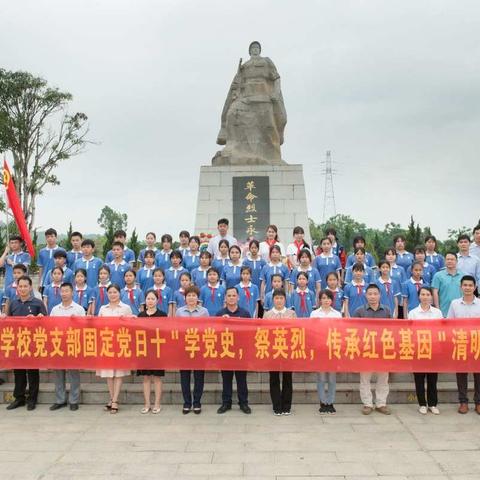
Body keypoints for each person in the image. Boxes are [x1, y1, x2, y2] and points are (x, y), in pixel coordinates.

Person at [5, 276, 47, 411]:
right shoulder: (13, 303)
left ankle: (32, 399)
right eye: (20, 286)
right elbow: (8, 322)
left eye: (25, 286)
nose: (22, 289)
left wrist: (38, 319)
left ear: (30, 287)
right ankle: (19, 398)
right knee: (18, 371)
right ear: (17, 288)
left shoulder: (37, 303)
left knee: (33, 371)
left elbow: (46, 322)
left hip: (33, 342)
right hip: (17, 342)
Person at [354, 284, 392, 415]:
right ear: (366, 295)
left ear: (380, 295)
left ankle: (381, 403)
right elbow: (354, 331)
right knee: (365, 378)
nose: (373, 296)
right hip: (365, 349)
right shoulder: (360, 311)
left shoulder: (386, 310)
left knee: (383, 377)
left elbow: (392, 330)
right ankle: (367, 404)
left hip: (382, 349)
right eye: (370, 294)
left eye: (375, 294)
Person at [97, 284, 133, 414]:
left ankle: (115, 400)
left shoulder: (126, 308)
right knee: (108, 374)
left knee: (118, 374)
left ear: (120, 293)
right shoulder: (102, 308)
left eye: (115, 292)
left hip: (120, 343)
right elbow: (98, 326)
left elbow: (131, 325)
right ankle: (112, 398)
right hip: (106, 343)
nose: (112, 294)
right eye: (110, 292)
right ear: (107, 294)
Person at [49, 283, 85, 411]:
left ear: (72, 292)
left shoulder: (79, 309)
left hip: (73, 343)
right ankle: (60, 400)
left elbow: (84, 328)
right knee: (58, 373)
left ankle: (74, 400)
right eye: (62, 291)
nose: (64, 293)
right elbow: (50, 327)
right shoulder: (55, 309)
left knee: (73, 373)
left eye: (66, 291)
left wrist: (77, 321)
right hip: (58, 343)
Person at [447, 275, 480, 415]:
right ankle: (463, 402)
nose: (467, 288)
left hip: (477, 343)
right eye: (465, 285)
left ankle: (478, 402)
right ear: (461, 287)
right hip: (460, 343)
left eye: (470, 285)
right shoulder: (454, 303)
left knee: (478, 374)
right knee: (461, 374)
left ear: (475, 287)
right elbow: (449, 323)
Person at [216, 287, 252, 414]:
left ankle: (243, 403)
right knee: (226, 379)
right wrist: (222, 322)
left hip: (241, 352)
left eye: (233, 295)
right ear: (225, 298)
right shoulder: (220, 313)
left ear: (238, 297)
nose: (231, 298)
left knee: (241, 379)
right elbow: (215, 333)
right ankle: (226, 403)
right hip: (226, 351)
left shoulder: (245, 313)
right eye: (229, 296)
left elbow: (250, 333)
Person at [408, 287, 442, 415]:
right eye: (423, 294)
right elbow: (409, 331)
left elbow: (441, 331)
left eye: (428, 294)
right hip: (418, 348)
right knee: (419, 378)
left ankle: (433, 404)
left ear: (431, 297)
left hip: (434, 349)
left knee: (433, 378)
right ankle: (422, 403)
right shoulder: (413, 313)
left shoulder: (437, 312)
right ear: (419, 296)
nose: (426, 297)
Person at [176, 285, 209, 414]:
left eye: (193, 295)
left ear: (197, 298)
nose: (191, 298)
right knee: (185, 377)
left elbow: (207, 329)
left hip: (199, 348)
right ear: (185, 298)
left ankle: (197, 402)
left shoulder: (204, 312)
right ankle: (187, 402)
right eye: (189, 295)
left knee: (199, 376)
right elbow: (176, 328)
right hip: (184, 348)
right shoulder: (179, 311)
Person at [264, 288, 296, 415]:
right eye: (276, 298)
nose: (279, 301)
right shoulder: (267, 315)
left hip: (287, 350)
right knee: (274, 378)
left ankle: (286, 406)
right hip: (273, 350)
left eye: (281, 298)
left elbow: (295, 331)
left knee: (288, 378)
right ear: (273, 300)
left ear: (285, 299)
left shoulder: (291, 313)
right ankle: (276, 406)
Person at [311, 289, 341, 414]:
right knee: (321, 378)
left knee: (332, 378)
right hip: (320, 349)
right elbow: (311, 331)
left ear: (332, 300)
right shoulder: (314, 314)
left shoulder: (337, 314)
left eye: (328, 298)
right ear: (320, 300)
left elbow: (341, 332)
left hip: (333, 349)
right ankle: (323, 402)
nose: (326, 300)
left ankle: (331, 402)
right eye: (323, 298)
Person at [137, 290, 166, 414]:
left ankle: (157, 403)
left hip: (158, 349)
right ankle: (147, 403)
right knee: (146, 378)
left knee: (157, 378)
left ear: (157, 300)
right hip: (144, 350)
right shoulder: (140, 315)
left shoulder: (162, 315)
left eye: (152, 299)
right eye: (148, 299)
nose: (150, 301)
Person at [431, 252, 464, 317]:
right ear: (445, 261)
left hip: (460, 310)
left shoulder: (463, 275)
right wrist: (437, 310)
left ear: (456, 261)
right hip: (443, 311)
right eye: (448, 259)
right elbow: (435, 293)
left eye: (452, 259)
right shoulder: (438, 275)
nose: (449, 261)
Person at [37, 228, 66, 293]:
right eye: (48, 237)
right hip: (45, 282)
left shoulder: (62, 251)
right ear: (45, 238)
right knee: (45, 301)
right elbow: (41, 268)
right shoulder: (42, 251)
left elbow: (65, 267)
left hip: (59, 282)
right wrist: (39, 283)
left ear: (56, 237)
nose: (50, 238)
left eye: (52, 236)